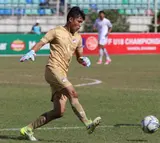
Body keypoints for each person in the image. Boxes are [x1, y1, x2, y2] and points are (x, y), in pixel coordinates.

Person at [19, 7, 101, 141]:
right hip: (52, 69)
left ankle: (27, 129)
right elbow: (41, 42)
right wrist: (32, 51)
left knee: (59, 112)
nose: (80, 25)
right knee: (72, 93)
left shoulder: (78, 38)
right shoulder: (56, 31)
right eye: (78, 22)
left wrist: (83, 60)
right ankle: (88, 123)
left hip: (62, 73)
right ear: (70, 19)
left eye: (81, 23)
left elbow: (79, 57)